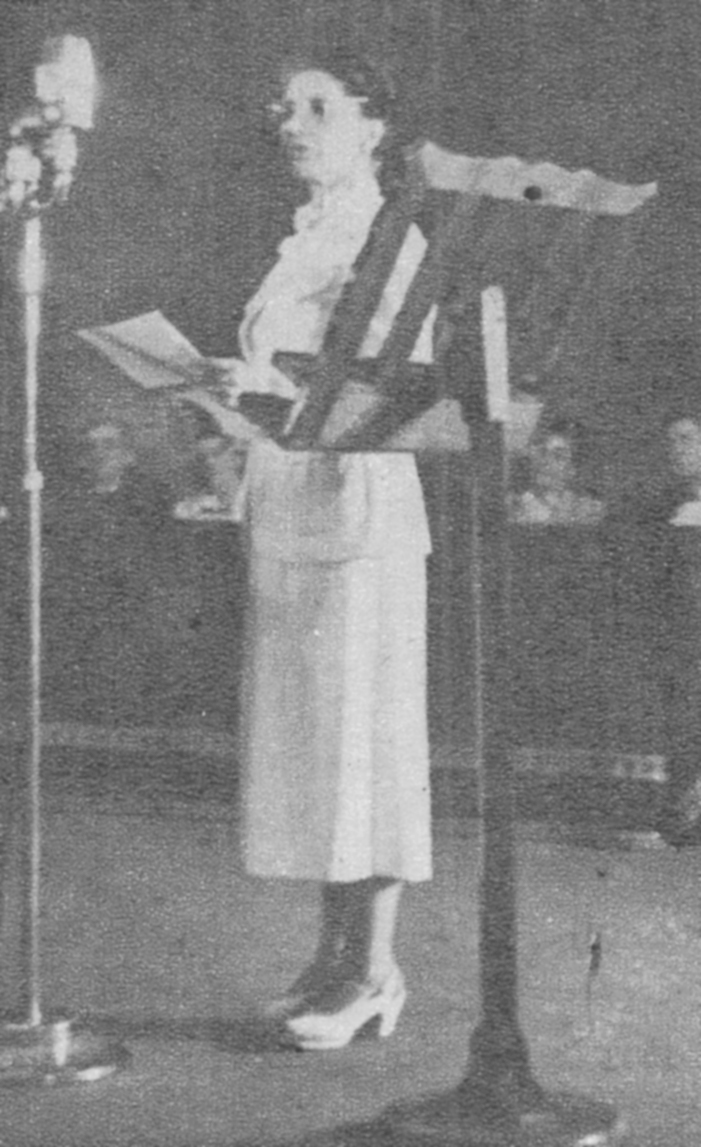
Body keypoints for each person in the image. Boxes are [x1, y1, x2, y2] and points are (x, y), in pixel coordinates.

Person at [181, 53, 436, 1051]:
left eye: (316, 107)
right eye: (283, 104)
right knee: (314, 746)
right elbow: (281, 370)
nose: (290, 120)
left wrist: (270, 395)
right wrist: (219, 382)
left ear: (372, 126)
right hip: (289, 500)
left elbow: (389, 378)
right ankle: (333, 959)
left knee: (363, 741)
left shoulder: (387, 232)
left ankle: (374, 971)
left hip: (360, 507)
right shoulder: (311, 232)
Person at [509, 418, 604, 526]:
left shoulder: (589, 511)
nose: (545, 462)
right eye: (541, 452)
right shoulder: (515, 507)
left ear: (574, 468)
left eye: (558, 456)